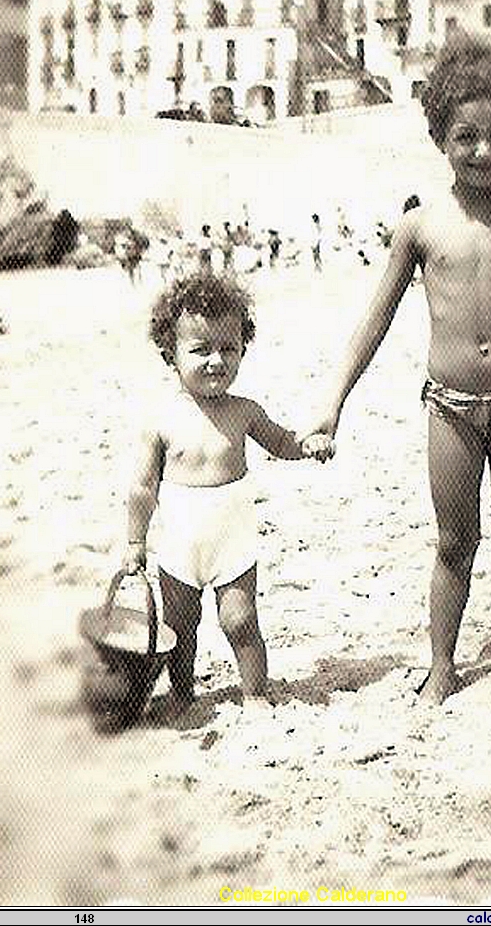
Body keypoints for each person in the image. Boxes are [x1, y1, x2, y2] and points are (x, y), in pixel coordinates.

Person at [303, 38, 491, 705]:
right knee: (453, 540)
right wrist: (332, 401)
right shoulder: (417, 228)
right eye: (465, 137)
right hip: (447, 405)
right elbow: (375, 320)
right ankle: (442, 666)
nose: (483, 150)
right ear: (439, 139)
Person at [122, 272, 332, 719]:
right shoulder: (161, 420)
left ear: (242, 348)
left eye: (229, 348)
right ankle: (182, 694)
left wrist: (307, 445)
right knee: (179, 627)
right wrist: (135, 542)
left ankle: (255, 692)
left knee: (241, 620)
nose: (217, 360)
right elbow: (142, 488)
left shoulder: (244, 411)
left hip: (232, 537)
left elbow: (280, 442)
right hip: (179, 543)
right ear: (169, 355)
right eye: (200, 350)